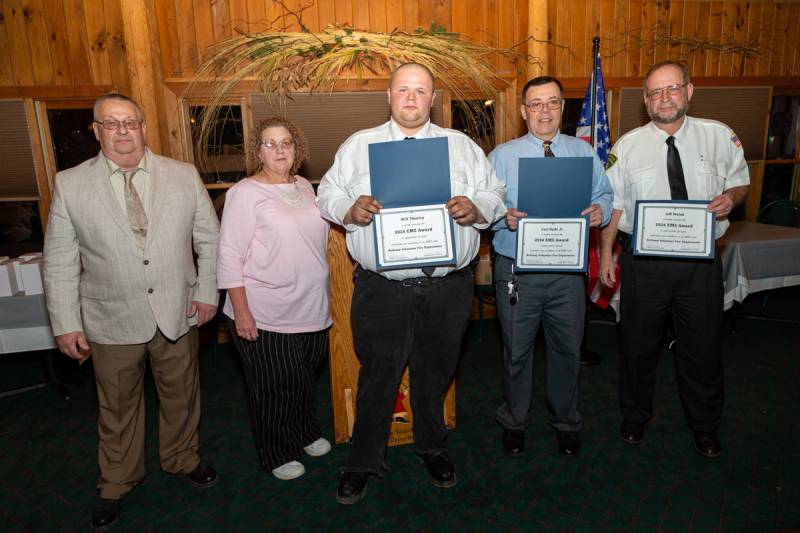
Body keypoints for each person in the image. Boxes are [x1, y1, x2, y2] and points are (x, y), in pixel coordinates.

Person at [317, 62, 506, 505]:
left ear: (432, 98)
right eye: (403, 90)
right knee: (378, 375)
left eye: (420, 91)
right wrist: (350, 208)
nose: (411, 98)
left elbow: (496, 194)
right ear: (389, 95)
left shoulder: (461, 147)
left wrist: (476, 207)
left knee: (436, 372)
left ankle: (432, 445)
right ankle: (362, 460)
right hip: (382, 289)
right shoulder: (358, 146)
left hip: (447, 287)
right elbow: (326, 193)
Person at [43, 93, 220, 531]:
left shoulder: (182, 175)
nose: (123, 131)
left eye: (130, 122)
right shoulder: (70, 184)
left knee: (181, 393)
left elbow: (209, 241)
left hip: (178, 309)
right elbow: (60, 259)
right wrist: (65, 322)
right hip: (110, 317)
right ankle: (117, 480)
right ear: (97, 131)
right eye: (112, 123)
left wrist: (207, 291)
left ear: (143, 127)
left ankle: (181, 457)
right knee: (117, 406)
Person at [599, 60, 749, 458]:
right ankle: (634, 415)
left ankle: (705, 425)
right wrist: (606, 256)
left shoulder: (719, 136)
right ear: (645, 100)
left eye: (672, 89)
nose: (664, 98)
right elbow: (614, 206)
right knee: (636, 345)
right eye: (655, 92)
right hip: (644, 265)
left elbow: (740, 180)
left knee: (702, 347)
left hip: (700, 265)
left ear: (690, 90)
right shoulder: (626, 146)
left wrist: (731, 199)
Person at [490, 76, 613, 459]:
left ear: (563, 107)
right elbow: (484, 210)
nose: (544, 111)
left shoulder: (582, 152)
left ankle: (566, 422)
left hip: (566, 272)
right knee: (517, 352)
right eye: (536, 103)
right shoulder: (501, 156)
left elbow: (605, 196)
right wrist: (501, 217)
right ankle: (515, 421)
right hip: (516, 271)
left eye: (553, 102)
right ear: (524, 110)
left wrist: (601, 211)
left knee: (567, 350)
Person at [217, 117, 332, 481]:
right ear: (258, 151)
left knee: (303, 377)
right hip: (264, 309)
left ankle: (304, 432)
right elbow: (229, 255)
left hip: (312, 306)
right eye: (270, 143)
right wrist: (241, 311)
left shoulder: (305, 187)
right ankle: (277, 451)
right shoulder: (245, 193)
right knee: (274, 385)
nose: (279, 150)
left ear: (297, 148)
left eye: (286, 143)